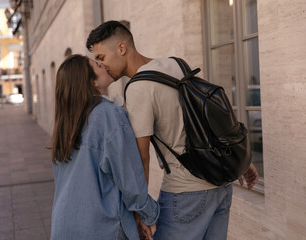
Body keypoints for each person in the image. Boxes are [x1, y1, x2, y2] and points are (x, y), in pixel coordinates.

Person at [86, 20, 259, 240]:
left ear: (121, 48)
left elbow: (142, 156)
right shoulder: (175, 64)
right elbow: (208, 118)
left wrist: (141, 211)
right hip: (221, 188)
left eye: (101, 57)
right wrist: (241, 160)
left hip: (185, 195)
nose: (102, 65)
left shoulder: (138, 88)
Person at [50, 54, 159, 240]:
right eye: (97, 65)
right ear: (91, 82)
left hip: (63, 225)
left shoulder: (65, 124)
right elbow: (130, 178)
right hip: (99, 227)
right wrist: (148, 214)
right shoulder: (109, 115)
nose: (104, 65)